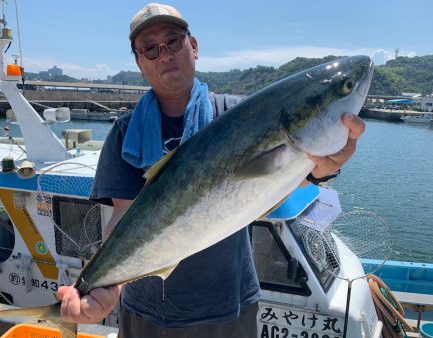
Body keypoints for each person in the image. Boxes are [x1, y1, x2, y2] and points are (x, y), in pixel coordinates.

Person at [57, 3, 365, 338]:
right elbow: (124, 214)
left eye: (173, 41)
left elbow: (269, 190)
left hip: (227, 305)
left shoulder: (237, 115)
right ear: (139, 62)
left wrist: (319, 170)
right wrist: (107, 287)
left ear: (194, 46)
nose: (164, 55)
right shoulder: (124, 133)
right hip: (145, 308)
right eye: (149, 48)